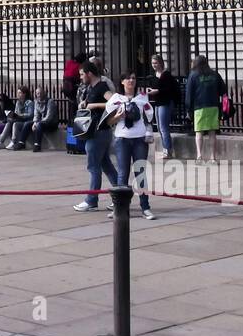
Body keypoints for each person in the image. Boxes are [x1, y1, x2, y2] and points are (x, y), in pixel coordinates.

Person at [73, 61, 121, 213]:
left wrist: (93, 106)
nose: (80, 77)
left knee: (93, 167)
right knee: (106, 165)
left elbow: (115, 101)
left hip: (98, 132)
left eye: (82, 74)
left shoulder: (101, 86)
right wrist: (85, 103)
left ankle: (92, 200)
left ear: (89, 73)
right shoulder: (92, 88)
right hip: (99, 131)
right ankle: (120, 196)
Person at [107, 73, 155, 219]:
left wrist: (148, 132)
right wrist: (118, 116)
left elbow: (149, 117)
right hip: (122, 138)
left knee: (140, 173)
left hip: (139, 139)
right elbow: (108, 121)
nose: (131, 81)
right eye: (128, 78)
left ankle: (145, 207)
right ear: (122, 82)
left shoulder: (141, 97)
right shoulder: (116, 99)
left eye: (134, 78)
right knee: (122, 173)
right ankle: (120, 208)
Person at [185, 55, 226, 165]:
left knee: (199, 132)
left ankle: (199, 156)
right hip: (213, 106)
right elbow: (223, 89)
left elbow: (189, 93)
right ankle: (213, 158)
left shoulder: (193, 75)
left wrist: (188, 109)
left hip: (199, 107)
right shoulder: (214, 74)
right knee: (212, 133)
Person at [146, 54, 180, 158]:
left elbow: (169, 89)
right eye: (152, 63)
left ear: (160, 63)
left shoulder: (166, 75)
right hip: (157, 102)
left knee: (164, 127)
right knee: (160, 128)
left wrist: (158, 91)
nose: (154, 65)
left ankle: (167, 150)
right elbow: (153, 87)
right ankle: (166, 148)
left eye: (155, 63)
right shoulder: (154, 75)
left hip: (165, 102)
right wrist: (150, 91)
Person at [19, 86, 59, 152]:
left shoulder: (50, 102)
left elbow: (49, 117)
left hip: (51, 123)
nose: (39, 95)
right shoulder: (36, 102)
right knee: (27, 123)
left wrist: (37, 123)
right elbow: (36, 114)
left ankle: (37, 145)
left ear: (44, 93)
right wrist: (35, 122)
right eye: (37, 93)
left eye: (40, 93)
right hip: (41, 122)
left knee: (39, 125)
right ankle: (21, 142)